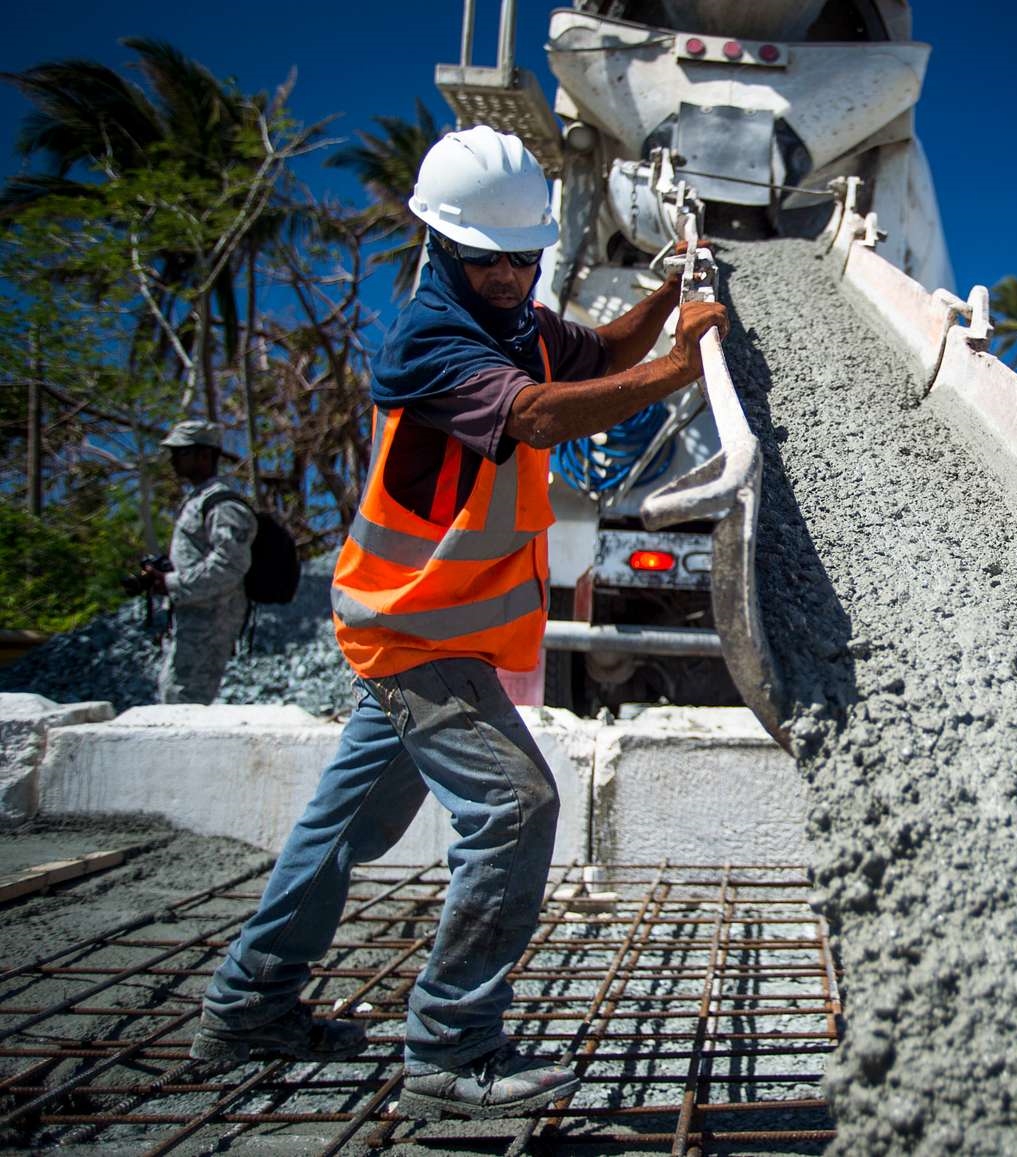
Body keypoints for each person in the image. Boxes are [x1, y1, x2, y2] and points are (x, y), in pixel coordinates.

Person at [190, 125, 728, 1121]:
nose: (518, 278)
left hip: (442, 621)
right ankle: (450, 1048)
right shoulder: (430, 339)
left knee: (342, 827)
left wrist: (670, 296)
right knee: (515, 808)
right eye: (497, 263)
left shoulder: (514, 311)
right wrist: (679, 368)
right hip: (416, 627)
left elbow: (598, 350)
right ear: (441, 246)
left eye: (529, 258)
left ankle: (248, 1004)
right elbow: (537, 416)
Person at [148, 419, 256, 705]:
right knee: (175, 697)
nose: (173, 460)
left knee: (183, 702)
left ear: (205, 455)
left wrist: (171, 582)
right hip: (192, 618)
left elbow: (230, 564)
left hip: (210, 622)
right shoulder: (198, 500)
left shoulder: (223, 504)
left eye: (181, 452)